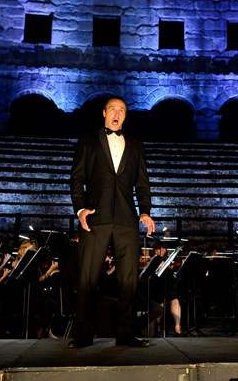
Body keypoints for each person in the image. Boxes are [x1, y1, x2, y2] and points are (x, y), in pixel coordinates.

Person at [69, 95, 155, 348]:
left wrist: (145, 211)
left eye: (122, 111)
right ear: (104, 113)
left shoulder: (137, 145)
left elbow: (143, 183)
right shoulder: (87, 141)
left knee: (129, 278)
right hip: (95, 218)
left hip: (127, 219)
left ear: (126, 116)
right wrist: (80, 209)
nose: (117, 114)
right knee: (88, 276)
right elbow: (77, 178)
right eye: (113, 109)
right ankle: (83, 333)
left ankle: (126, 333)